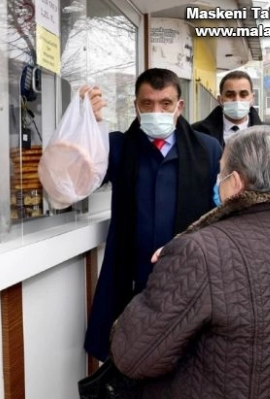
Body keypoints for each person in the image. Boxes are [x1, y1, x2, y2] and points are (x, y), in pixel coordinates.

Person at [109, 126, 270, 398]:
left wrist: (170, 273)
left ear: (235, 183)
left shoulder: (200, 251)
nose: (216, 179)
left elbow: (134, 355)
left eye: (220, 171)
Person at [84, 68, 222, 361]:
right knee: (130, 354)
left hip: (188, 275)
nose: (156, 111)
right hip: (132, 273)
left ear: (179, 106)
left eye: (165, 104)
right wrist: (90, 124)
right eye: (147, 104)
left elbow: (219, 211)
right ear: (136, 105)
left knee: (184, 358)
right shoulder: (118, 147)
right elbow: (84, 177)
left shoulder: (207, 149)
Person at [192, 70, 264, 147]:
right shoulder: (196, 132)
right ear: (220, 100)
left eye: (243, 94)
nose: (237, 100)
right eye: (230, 95)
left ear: (252, 99)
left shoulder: (269, 135)